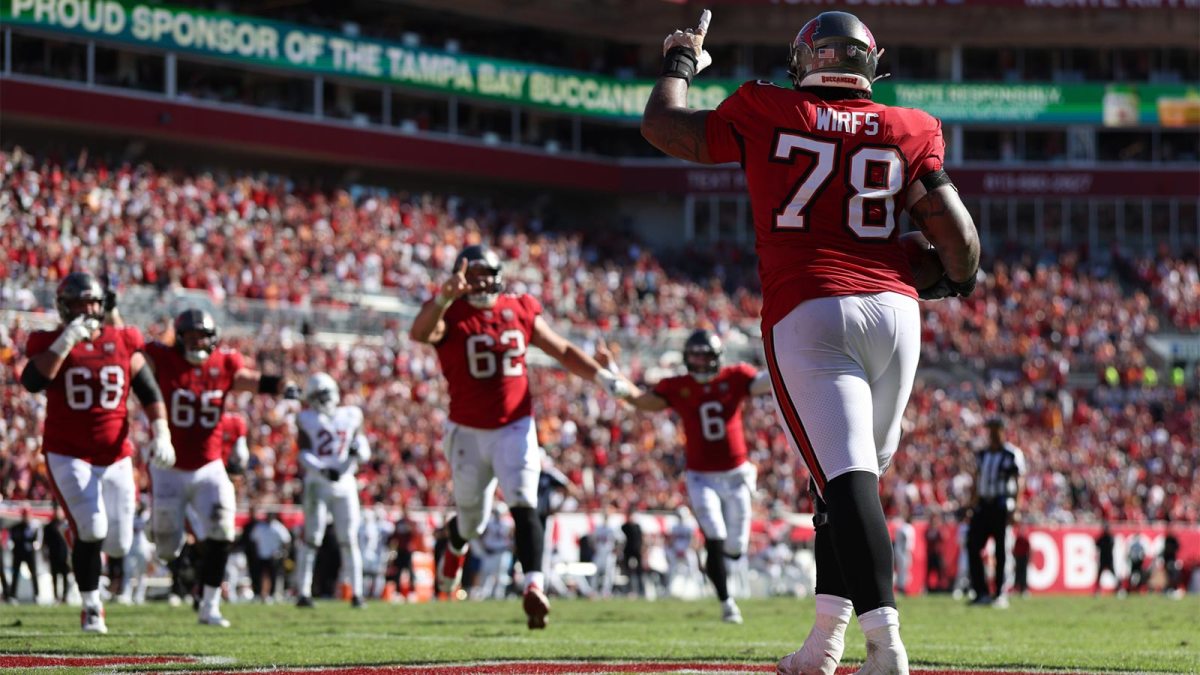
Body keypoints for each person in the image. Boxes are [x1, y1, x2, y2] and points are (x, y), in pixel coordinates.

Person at [642, 9, 980, 672]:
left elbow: (664, 126)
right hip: (895, 314)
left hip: (811, 307)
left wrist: (681, 61)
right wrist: (945, 280)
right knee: (847, 483)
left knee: (846, 480)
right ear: (869, 67)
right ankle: (824, 644)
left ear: (805, 63)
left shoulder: (766, 109)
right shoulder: (910, 127)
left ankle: (885, 646)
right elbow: (963, 246)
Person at [409, 243, 634, 630]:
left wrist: (601, 377)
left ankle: (534, 585)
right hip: (466, 430)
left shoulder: (520, 308)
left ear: (499, 276)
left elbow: (561, 348)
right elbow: (420, 333)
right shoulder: (453, 311)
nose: (480, 283)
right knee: (472, 520)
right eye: (472, 276)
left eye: (485, 275)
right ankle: (457, 543)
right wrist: (445, 295)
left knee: (524, 501)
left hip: (515, 424)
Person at [20, 272, 175, 633]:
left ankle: (81, 539)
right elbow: (31, 382)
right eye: (79, 303)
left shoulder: (121, 339)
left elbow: (148, 388)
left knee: (119, 544)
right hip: (68, 452)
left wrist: (161, 432)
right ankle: (92, 607)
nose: (87, 310)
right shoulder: (48, 340)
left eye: (92, 303)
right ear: (64, 307)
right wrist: (66, 341)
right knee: (93, 528)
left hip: (116, 453)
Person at [599, 330, 772, 623]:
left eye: (706, 356)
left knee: (735, 547)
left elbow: (767, 383)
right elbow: (641, 400)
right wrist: (613, 371)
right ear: (686, 359)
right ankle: (726, 602)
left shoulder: (735, 376)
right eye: (695, 356)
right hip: (701, 475)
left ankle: (725, 574)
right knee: (714, 537)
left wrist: (791, 360)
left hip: (736, 474)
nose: (701, 363)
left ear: (717, 357)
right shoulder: (678, 386)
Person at [142, 308, 297, 628]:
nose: (197, 343)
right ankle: (159, 529)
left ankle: (210, 605)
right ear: (179, 338)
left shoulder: (223, 363)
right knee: (168, 549)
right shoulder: (164, 358)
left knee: (224, 528)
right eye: (191, 337)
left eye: (203, 337)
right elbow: (136, 362)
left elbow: (248, 380)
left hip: (209, 466)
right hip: (168, 465)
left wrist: (280, 384)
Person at [293, 373, 371, 609]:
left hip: (345, 481)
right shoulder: (306, 418)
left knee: (349, 539)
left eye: (325, 393)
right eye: (318, 395)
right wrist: (322, 469)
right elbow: (303, 452)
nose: (323, 399)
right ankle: (303, 593)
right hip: (318, 481)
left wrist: (360, 452)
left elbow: (362, 445)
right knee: (312, 538)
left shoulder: (351, 414)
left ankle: (357, 593)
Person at [966, 417, 1025, 609]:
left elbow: (1019, 482)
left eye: (995, 430)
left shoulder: (1011, 453)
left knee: (1001, 550)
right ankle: (980, 592)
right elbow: (976, 480)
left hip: (1001, 505)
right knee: (973, 545)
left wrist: (1016, 508)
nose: (992, 434)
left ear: (1002, 431)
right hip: (983, 505)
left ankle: (1000, 593)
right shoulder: (982, 454)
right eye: (989, 430)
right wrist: (972, 504)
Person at [8, 508, 42, 602]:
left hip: (30, 553)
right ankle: (13, 595)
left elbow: (38, 541)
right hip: (18, 553)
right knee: (15, 574)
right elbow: (11, 539)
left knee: (33, 574)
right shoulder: (15, 528)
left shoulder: (34, 527)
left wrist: (35, 545)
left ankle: (36, 595)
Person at [44, 504, 72, 604]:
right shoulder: (49, 526)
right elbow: (45, 542)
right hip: (53, 554)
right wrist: (45, 554)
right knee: (54, 577)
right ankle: (56, 596)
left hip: (64, 555)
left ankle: (65, 596)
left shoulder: (67, 525)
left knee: (65, 576)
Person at [620, 506, 646, 598]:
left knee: (639, 572)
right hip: (628, 551)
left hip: (636, 551)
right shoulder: (624, 527)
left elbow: (641, 539)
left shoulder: (637, 527)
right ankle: (630, 590)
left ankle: (641, 591)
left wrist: (643, 550)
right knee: (628, 572)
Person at [1094, 521, 1115, 596]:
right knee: (1099, 575)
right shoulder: (1103, 537)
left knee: (1113, 574)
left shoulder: (1109, 538)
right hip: (1103, 559)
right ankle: (1097, 590)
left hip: (1108, 559)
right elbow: (1096, 544)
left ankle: (1120, 589)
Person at [1012, 525, 1031, 597]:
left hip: (1023, 557)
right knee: (1018, 573)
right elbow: (1015, 549)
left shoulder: (1025, 539)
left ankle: (1023, 589)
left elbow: (1029, 549)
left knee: (1023, 574)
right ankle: (1017, 589)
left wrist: (1029, 559)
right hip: (1018, 557)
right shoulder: (1018, 539)